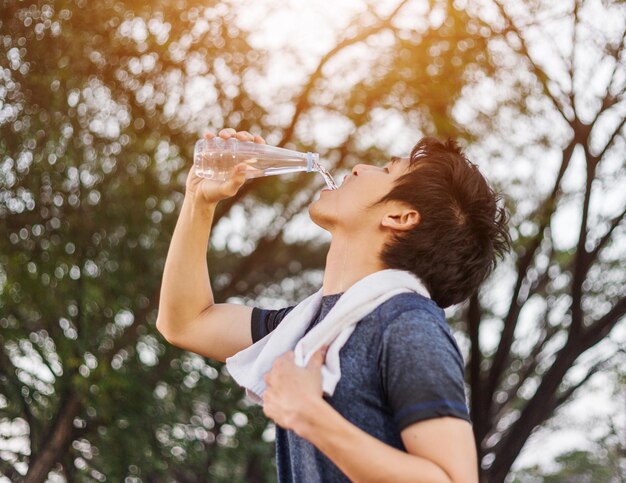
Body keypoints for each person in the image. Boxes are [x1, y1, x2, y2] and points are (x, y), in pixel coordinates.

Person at [156, 127, 511, 482]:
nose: (359, 168)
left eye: (386, 171)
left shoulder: (407, 324)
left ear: (400, 217)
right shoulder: (311, 326)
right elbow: (186, 322)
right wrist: (198, 201)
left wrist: (309, 415)